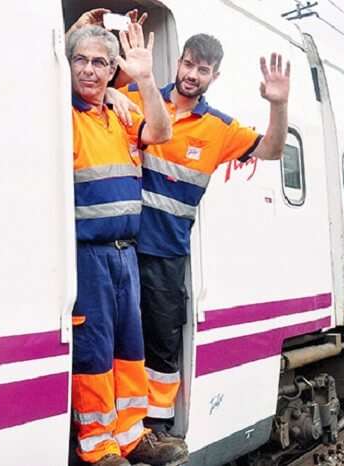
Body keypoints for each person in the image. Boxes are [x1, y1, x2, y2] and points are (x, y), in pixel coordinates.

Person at [123, 34, 291, 439]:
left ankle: (158, 426)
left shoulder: (219, 128)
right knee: (120, 339)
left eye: (202, 70)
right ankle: (120, 429)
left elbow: (271, 150)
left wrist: (278, 104)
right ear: (178, 63)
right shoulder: (133, 95)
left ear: (214, 76)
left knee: (161, 344)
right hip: (121, 243)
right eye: (188, 64)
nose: (192, 75)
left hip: (166, 252)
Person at [67, 21, 185, 466]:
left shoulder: (120, 112)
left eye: (100, 62)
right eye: (81, 60)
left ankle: (131, 438)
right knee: (95, 352)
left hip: (125, 254)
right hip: (88, 255)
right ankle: (98, 447)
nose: (91, 71)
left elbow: (162, 131)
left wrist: (144, 79)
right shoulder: (65, 115)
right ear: (69, 64)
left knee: (129, 350)